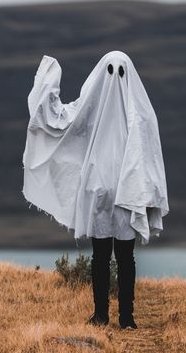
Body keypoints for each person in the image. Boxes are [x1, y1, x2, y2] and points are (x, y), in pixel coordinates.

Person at [22, 51, 169, 330]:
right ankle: (109, 315)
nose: (115, 78)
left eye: (120, 72)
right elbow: (58, 120)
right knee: (110, 256)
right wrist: (49, 83)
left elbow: (62, 121)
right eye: (111, 71)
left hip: (118, 193)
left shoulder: (134, 114)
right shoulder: (117, 111)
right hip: (110, 192)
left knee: (117, 257)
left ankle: (121, 316)